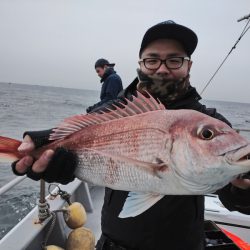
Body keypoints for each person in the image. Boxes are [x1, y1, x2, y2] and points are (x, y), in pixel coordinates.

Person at [12, 20, 250, 250]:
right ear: (141, 64)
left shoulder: (212, 122)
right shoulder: (116, 110)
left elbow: (234, 199)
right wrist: (42, 145)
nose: (162, 68)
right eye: (152, 60)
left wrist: (244, 189)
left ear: (189, 66)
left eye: (175, 60)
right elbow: (85, 126)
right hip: (112, 244)